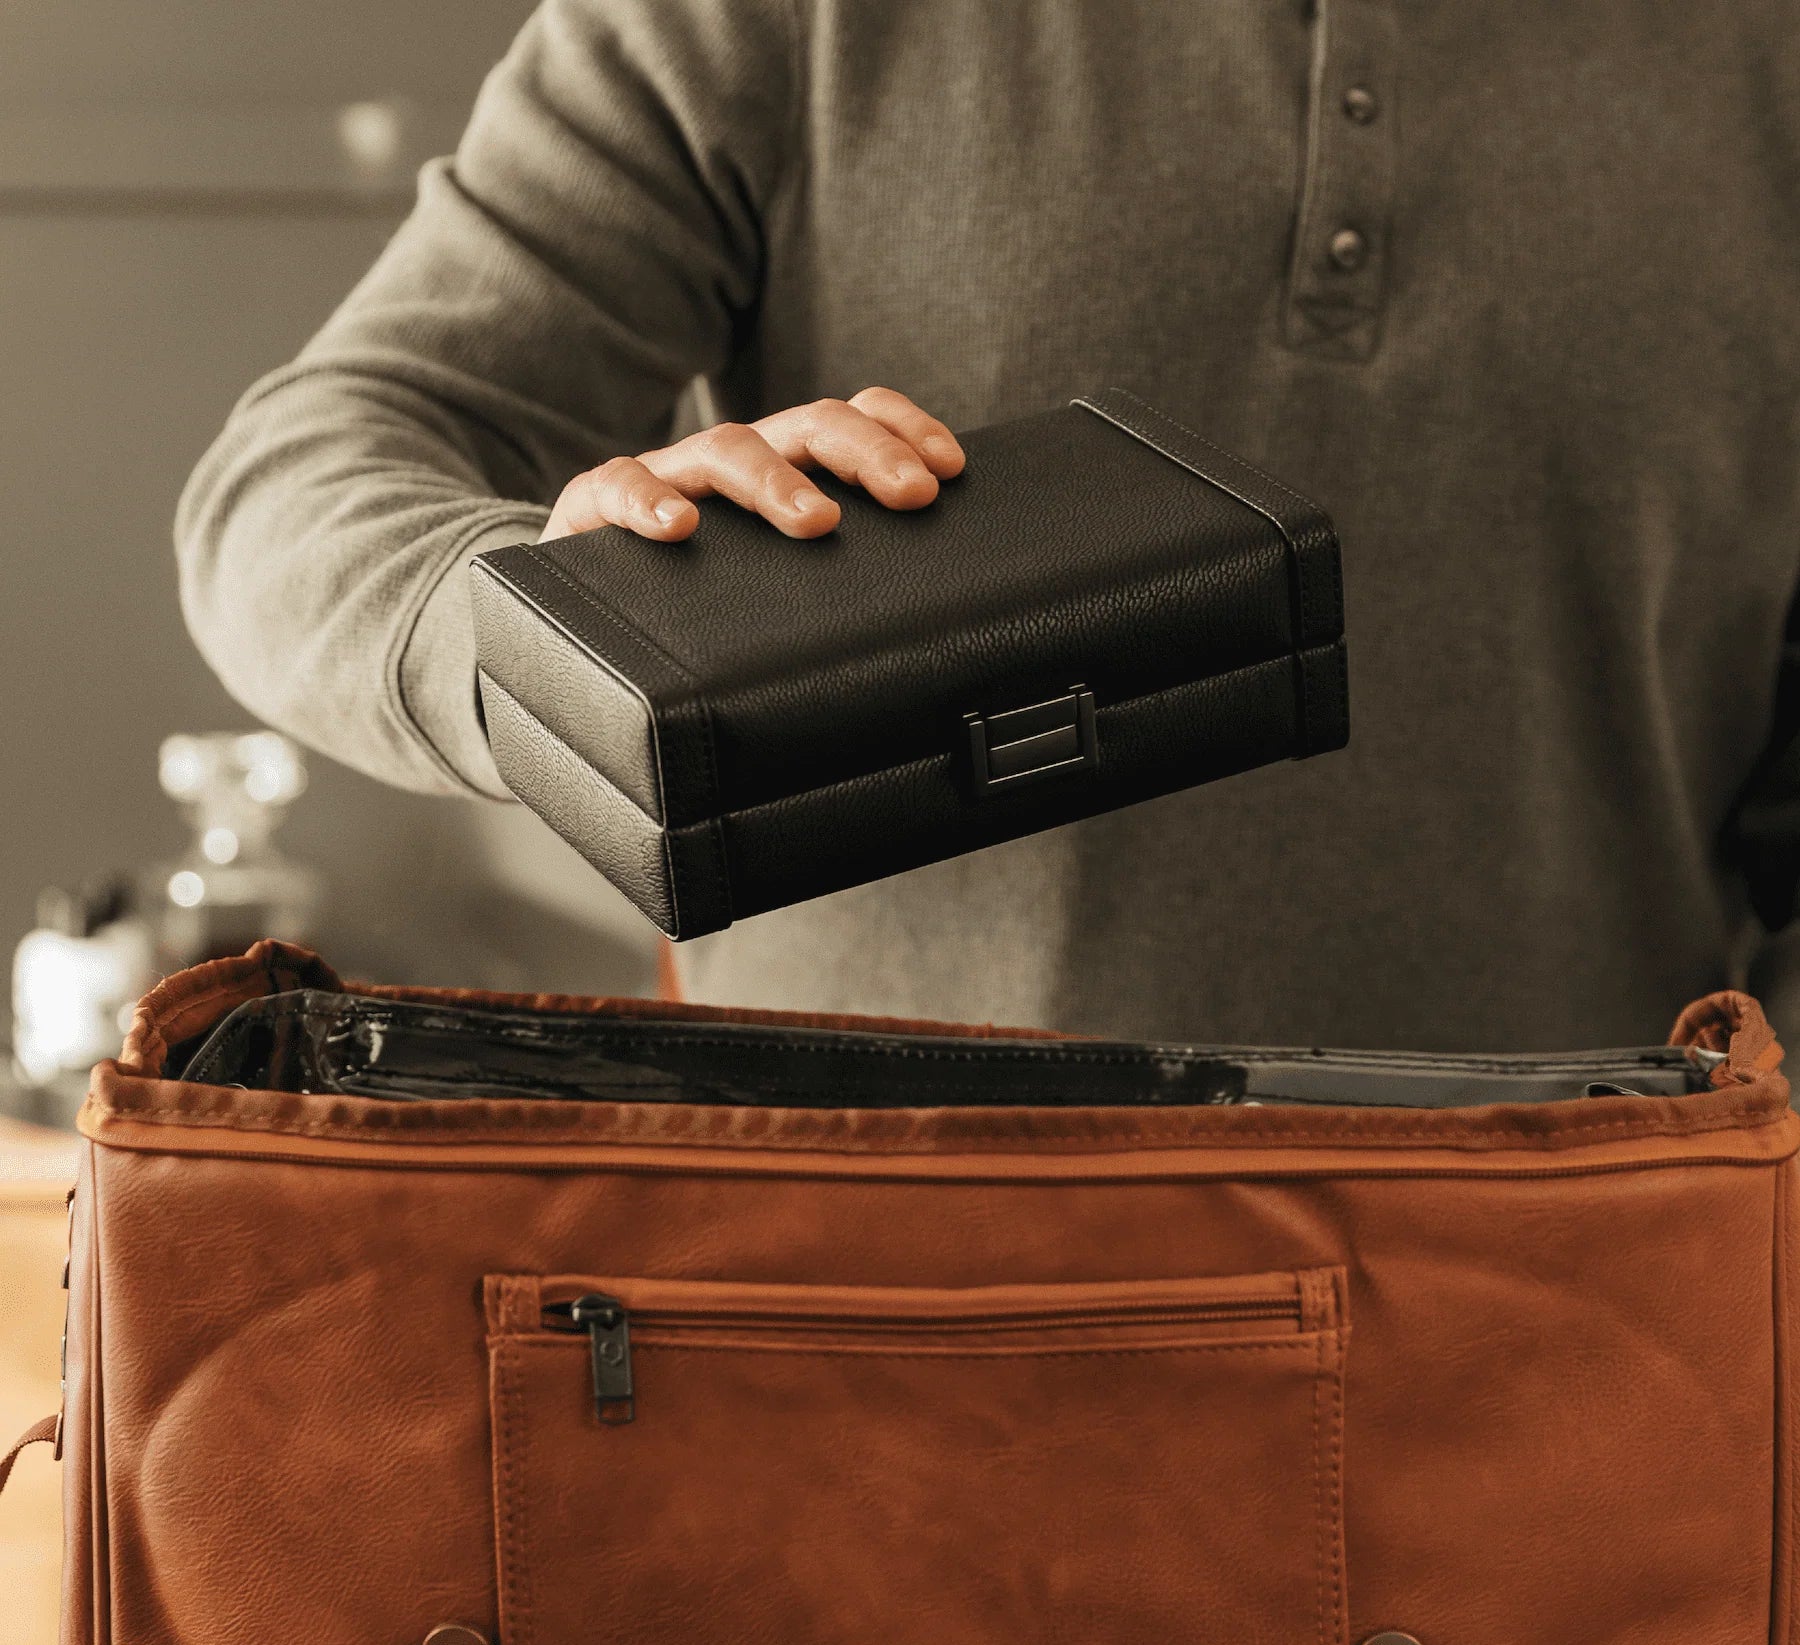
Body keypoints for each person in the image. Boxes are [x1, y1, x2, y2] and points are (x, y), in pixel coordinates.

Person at [175, 0, 1800, 1052]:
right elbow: (295, 486)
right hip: (872, 1316)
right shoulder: (763, 21)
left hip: (1594, 1324)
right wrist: (561, 626)